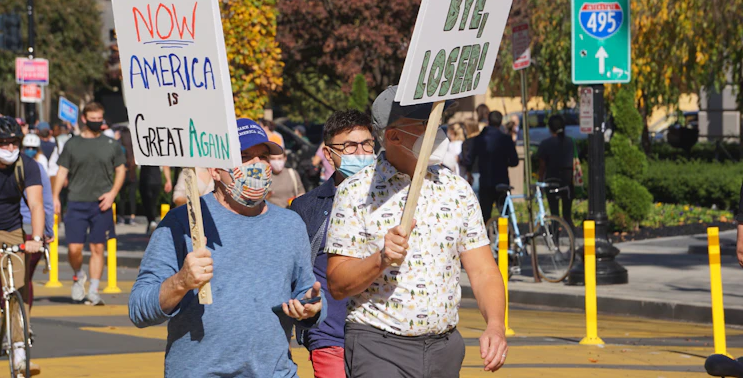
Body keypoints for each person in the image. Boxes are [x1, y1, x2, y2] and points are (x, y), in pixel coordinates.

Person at [326, 86, 508, 377]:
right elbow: (337, 283)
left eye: (439, 118)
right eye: (426, 123)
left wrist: (496, 326)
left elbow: (483, 271)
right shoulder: (356, 192)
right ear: (393, 136)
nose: (439, 129)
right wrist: (381, 259)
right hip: (378, 347)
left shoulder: (456, 189)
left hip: (444, 350)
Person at [129, 118, 325, 378]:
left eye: (263, 157)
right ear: (214, 170)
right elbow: (139, 310)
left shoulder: (290, 224)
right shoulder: (182, 223)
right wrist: (181, 282)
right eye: (244, 157)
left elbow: (306, 296)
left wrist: (312, 310)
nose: (256, 166)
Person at [290, 110, 374, 378]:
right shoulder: (307, 207)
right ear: (328, 154)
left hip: (383, 340)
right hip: (330, 338)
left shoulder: (393, 199)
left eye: (367, 144)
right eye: (349, 146)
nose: (360, 152)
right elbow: (294, 271)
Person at [0, 116, 44, 375]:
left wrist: (36, 239)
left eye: (14, 142)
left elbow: (36, 204)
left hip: (12, 230)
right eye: (4, 143)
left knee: (16, 290)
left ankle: (19, 354)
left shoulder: (27, 165)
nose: (10, 148)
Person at [52, 102, 126, 306]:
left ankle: (93, 290)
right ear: (84, 119)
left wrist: (112, 194)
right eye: (92, 119)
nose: (97, 123)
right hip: (76, 202)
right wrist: (55, 196)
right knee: (74, 249)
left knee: (97, 247)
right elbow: (62, 171)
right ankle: (78, 276)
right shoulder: (72, 144)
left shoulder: (111, 144)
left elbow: (121, 170)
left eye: (99, 119)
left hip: (101, 204)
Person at [464, 111, 519, 221]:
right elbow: (514, 161)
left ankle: (487, 236)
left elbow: (469, 159)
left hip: (485, 182)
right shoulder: (506, 139)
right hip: (502, 181)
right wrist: (504, 162)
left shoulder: (479, 139)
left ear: (488, 121)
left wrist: (469, 172)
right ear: (500, 122)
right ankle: (504, 237)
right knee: (504, 214)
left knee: (485, 215)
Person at [21, 137, 55, 309]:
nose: (30, 150)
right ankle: (21, 322)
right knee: (25, 279)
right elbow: (46, 203)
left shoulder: (36, 168)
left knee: (14, 278)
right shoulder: (37, 168)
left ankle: (20, 321)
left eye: (33, 147)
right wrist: (48, 230)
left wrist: (47, 230)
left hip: (29, 229)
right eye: (27, 147)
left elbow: (45, 204)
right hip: (26, 229)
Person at [537, 114, 575, 230]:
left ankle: (555, 240)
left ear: (550, 128)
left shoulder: (545, 144)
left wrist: (540, 181)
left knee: (554, 214)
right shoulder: (570, 142)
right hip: (567, 182)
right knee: (567, 215)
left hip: (551, 181)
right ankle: (572, 239)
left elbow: (542, 166)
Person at [139, 165, 172, 234]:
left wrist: (168, 180)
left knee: (149, 202)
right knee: (150, 202)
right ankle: (151, 221)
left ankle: (151, 221)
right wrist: (168, 180)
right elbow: (165, 165)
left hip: (149, 179)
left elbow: (165, 165)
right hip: (152, 179)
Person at [117, 127, 138, 225]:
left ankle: (121, 217)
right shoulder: (134, 147)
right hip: (133, 173)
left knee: (122, 197)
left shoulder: (120, 147)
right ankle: (132, 217)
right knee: (132, 196)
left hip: (122, 173)